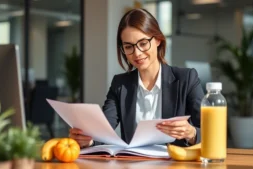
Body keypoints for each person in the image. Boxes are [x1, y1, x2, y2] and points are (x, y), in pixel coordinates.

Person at [69, 8, 204, 148]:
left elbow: (210, 133)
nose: (137, 53)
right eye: (128, 47)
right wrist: (88, 139)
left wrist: (192, 133)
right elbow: (104, 129)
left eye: (143, 43)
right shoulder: (120, 84)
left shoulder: (186, 79)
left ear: (158, 39)